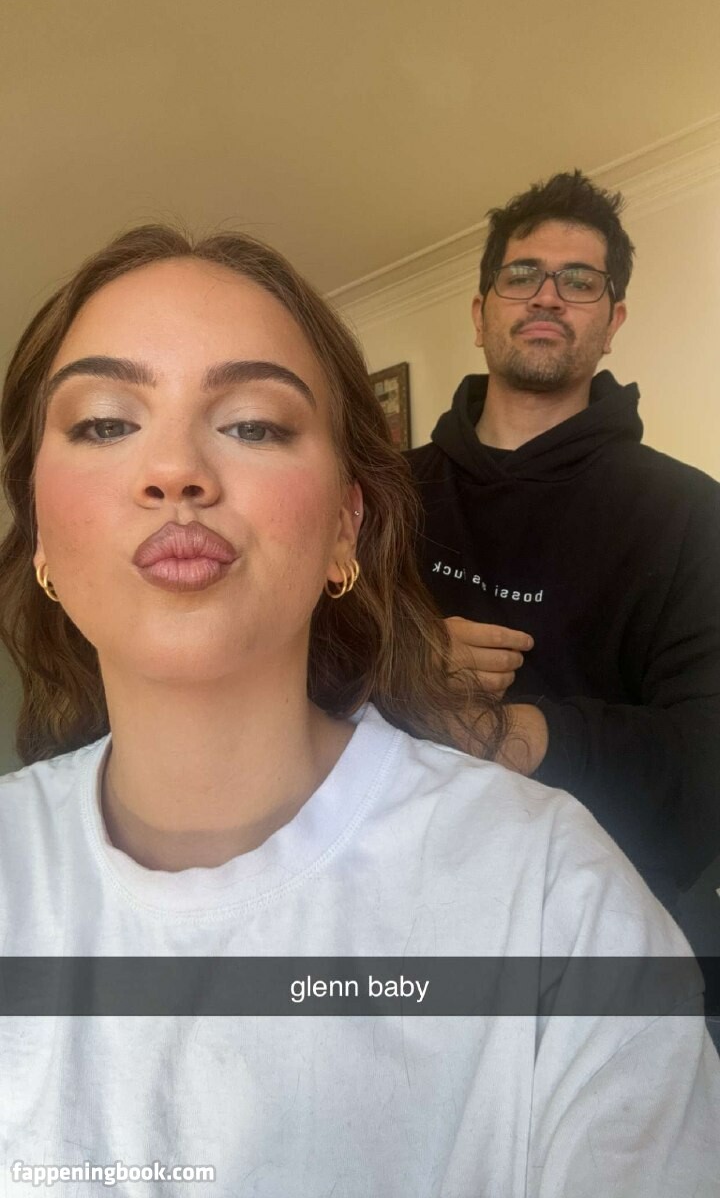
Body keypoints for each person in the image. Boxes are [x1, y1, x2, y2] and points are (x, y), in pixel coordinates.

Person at [0, 225, 718, 1197]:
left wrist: (514, 736)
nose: (174, 471)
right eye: (102, 423)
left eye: (254, 424)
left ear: (349, 525)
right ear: (37, 525)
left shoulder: (559, 902)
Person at [407, 171, 720, 925]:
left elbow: (708, 763)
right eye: (522, 275)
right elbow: (282, 661)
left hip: (598, 922)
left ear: (612, 324)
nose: (547, 296)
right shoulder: (384, 491)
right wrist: (398, 660)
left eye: (579, 281)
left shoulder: (692, 512)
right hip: (390, 893)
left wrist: (514, 733)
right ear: (481, 313)